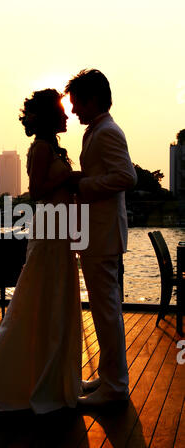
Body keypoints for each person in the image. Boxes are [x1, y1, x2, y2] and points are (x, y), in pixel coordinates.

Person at [0, 89, 83, 414]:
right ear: (51, 117)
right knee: (41, 298)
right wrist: (71, 178)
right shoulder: (39, 148)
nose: (67, 117)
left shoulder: (51, 148)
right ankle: (28, 381)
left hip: (60, 230)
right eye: (62, 112)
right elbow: (36, 191)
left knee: (57, 300)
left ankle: (53, 377)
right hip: (49, 231)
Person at [65, 69, 137, 407]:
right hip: (96, 234)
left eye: (77, 102)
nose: (74, 109)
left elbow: (125, 176)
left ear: (92, 99)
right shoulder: (98, 131)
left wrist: (82, 185)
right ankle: (110, 378)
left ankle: (116, 387)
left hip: (102, 234)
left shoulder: (107, 132)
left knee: (106, 311)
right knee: (104, 309)